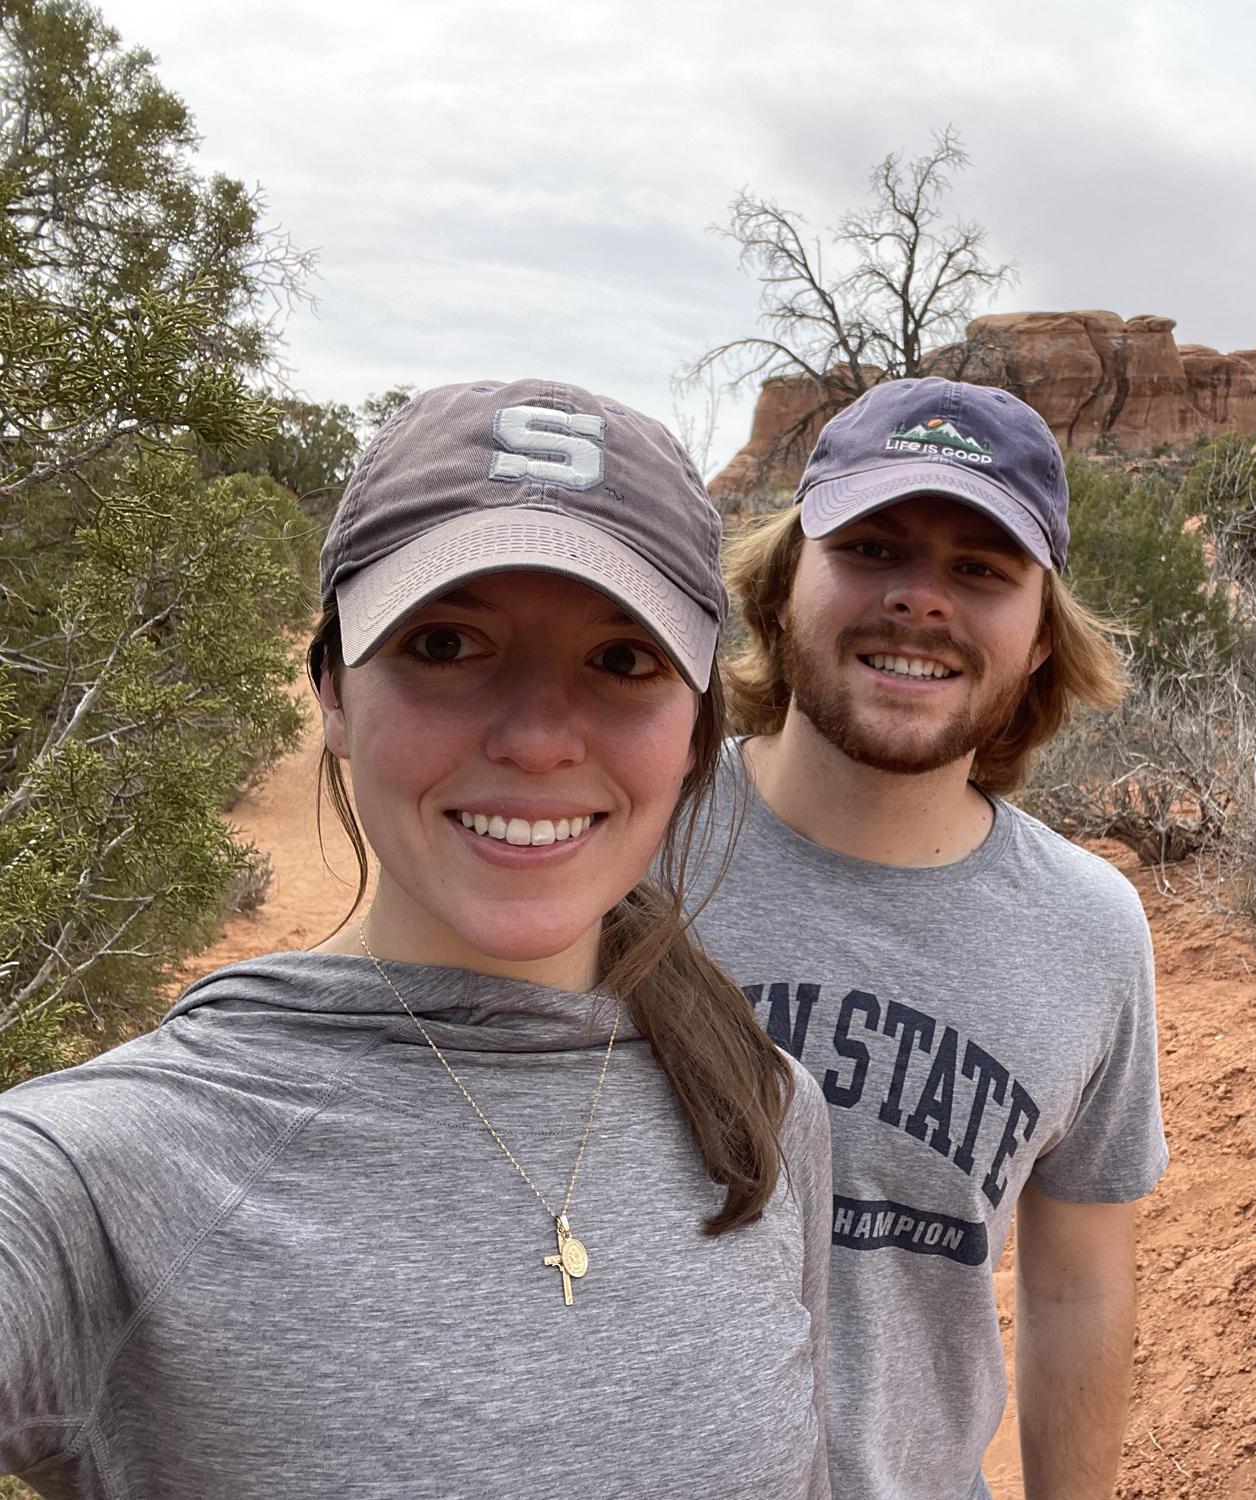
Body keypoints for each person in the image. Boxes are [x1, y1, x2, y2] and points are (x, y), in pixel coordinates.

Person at [0, 379, 831, 1498]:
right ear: (333, 694)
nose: (537, 740)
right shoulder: (100, 1175)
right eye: (447, 643)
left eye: (623, 660)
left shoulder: (767, 1110)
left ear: (693, 735)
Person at [689, 376, 1168, 1499]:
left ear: (1043, 635)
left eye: (980, 570)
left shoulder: (1089, 929)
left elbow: (1075, 1287)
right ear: (777, 588)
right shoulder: (630, 847)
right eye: (869, 547)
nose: (919, 600)